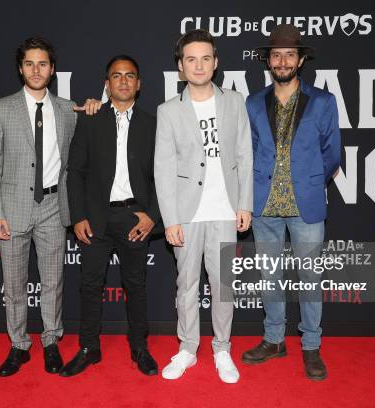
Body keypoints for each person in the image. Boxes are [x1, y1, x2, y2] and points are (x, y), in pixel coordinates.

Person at [241, 24, 341, 381]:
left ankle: (311, 346)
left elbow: (332, 154)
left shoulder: (323, 102)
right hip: (264, 204)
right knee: (270, 276)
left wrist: (311, 179)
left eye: (289, 55)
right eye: (276, 55)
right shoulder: (252, 103)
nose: (282, 61)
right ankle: (274, 340)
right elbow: (247, 153)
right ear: (268, 61)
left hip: (306, 205)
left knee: (310, 277)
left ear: (300, 60)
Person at [154, 29, 253, 384]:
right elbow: (163, 169)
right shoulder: (168, 111)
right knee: (187, 285)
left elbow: (245, 153)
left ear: (216, 62)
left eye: (206, 58)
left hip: (225, 210)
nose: (199, 65)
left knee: (224, 284)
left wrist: (244, 204)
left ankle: (223, 349)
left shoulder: (234, 102)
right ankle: (187, 349)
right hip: (187, 212)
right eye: (191, 59)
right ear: (180, 67)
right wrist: (170, 219)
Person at [0, 37, 77, 377]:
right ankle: (19, 345)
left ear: (52, 70)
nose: (36, 70)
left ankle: (51, 341)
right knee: (14, 283)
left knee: (52, 281)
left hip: (53, 205)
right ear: (21, 68)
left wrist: (95, 105)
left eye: (43, 64)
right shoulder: (1, 108)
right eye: (29, 64)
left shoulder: (68, 109)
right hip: (12, 208)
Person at [61, 55, 161, 377]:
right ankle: (89, 347)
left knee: (136, 285)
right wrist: (77, 216)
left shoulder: (152, 124)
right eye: (116, 76)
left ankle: (139, 347)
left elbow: (166, 175)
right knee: (90, 285)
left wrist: (153, 217)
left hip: (136, 218)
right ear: (107, 84)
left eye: (129, 75)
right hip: (95, 218)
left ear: (138, 84)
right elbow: (75, 172)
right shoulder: (90, 119)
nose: (123, 81)